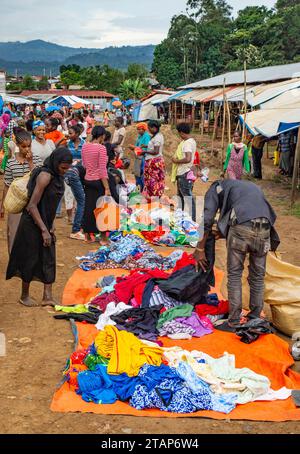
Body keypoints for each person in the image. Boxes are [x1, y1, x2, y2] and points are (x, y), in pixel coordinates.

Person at [194, 179, 280, 328]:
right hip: (265, 228)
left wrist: (199, 249)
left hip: (241, 227)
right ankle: (254, 318)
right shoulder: (247, 187)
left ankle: (233, 321)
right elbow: (251, 212)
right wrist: (224, 232)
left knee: (234, 275)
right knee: (258, 276)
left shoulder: (216, 188)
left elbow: (207, 219)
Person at [6, 147, 73, 307]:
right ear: (56, 163)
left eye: (67, 168)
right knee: (30, 258)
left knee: (49, 258)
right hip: (31, 224)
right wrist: (43, 230)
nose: (65, 171)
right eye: (63, 168)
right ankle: (24, 295)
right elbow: (32, 206)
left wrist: (50, 226)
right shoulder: (45, 176)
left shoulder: (57, 177)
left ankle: (47, 296)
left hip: (46, 224)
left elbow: (49, 205)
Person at [0, 128, 43, 253]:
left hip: (33, 204)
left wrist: (30, 163)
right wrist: (3, 206)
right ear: (18, 146)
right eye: (24, 146)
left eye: (29, 146)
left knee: (32, 235)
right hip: (16, 204)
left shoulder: (37, 160)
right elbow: (7, 185)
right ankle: (15, 262)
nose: (27, 149)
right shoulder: (11, 163)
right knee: (13, 233)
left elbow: (39, 179)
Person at [81, 126, 110, 244]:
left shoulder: (85, 146)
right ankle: (103, 238)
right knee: (102, 209)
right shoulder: (101, 148)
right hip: (98, 181)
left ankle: (88, 236)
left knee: (89, 207)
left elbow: (84, 164)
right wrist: (107, 187)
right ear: (102, 135)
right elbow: (102, 169)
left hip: (87, 180)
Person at [172, 123, 197, 221]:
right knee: (182, 197)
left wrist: (176, 160)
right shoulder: (191, 141)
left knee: (187, 198)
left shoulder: (187, 143)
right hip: (185, 172)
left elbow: (188, 158)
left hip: (184, 173)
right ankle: (180, 217)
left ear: (181, 133)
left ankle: (193, 220)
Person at [65, 125, 86, 240]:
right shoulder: (68, 144)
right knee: (80, 200)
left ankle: (79, 226)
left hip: (80, 174)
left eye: (71, 133)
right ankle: (76, 229)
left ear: (77, 134)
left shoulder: (85, 144)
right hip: (71, 174)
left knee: (80, 200)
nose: (69, 135)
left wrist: (79, 161)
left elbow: (86, 159)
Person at [142, 120, 165, 199]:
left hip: (154, 162)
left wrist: (144, 151)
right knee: (153, 180)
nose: (148, 130)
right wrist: (145, 146)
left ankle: (155, 197)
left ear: (154, 128)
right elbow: (153, 147)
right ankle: (154, 197)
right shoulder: (155, 136)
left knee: (153, 181)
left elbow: (156, 151)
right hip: (153, 161)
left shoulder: (158, 137)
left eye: (149, 128)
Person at [129, 122, 151, 191]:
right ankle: (139, 189)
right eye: (137, 129)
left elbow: (145, 149)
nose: (138, 131)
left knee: (142, 174)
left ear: (144, 129)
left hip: (143, 157)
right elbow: (137, 147)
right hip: (138, 157)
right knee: (137, 174)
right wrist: (134, 147)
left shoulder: (146, 136)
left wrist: (133, 147)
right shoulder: (139, 137)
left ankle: (143, 190)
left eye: (140, 129)